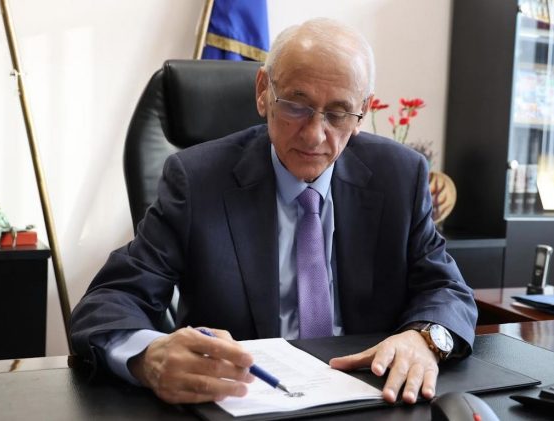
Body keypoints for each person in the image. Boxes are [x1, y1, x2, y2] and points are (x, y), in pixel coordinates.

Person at [71, 17, 477, 406]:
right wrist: (149, 357)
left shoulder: (399, 176)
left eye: (338, 113)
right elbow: (110, 299)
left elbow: (447, 288)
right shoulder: (197, 180)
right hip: (243, 399)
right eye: (297, 106)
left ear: (362, 113)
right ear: (264, 90)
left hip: (369, 397)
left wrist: (425, 339)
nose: (315, 135)